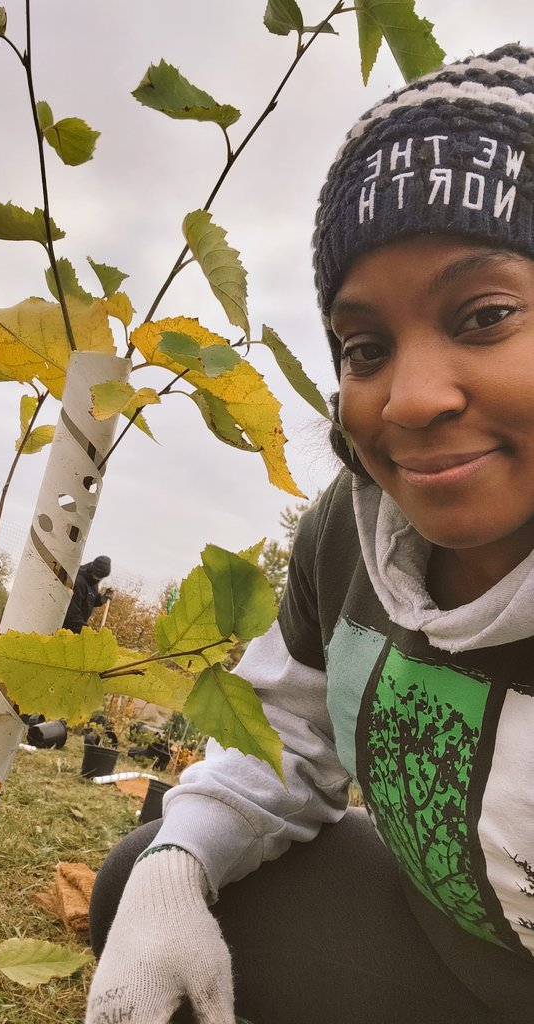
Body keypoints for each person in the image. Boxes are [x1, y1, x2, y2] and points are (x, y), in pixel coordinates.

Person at [85, 44, 534, 1024]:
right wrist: (177, 865)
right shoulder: (350, 527)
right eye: (364, 346)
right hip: (438, 958)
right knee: (142, 874)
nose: (409, 400)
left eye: (484, 314)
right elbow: (280, 727)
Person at [62, 555, 113, 633]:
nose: (100, 579)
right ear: (94, 570)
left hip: (76, 630)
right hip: (66, 630)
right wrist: (88, 632)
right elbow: (71, 614)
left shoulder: (93, 582)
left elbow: (88, 600)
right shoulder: (78, 582)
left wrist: (101, 599)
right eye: (100, 576)